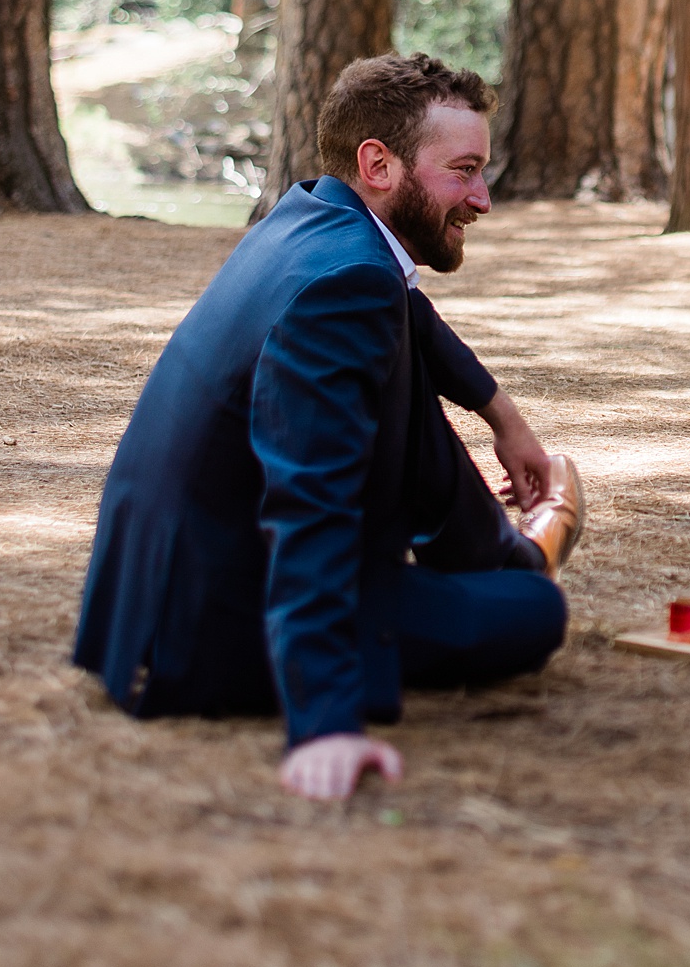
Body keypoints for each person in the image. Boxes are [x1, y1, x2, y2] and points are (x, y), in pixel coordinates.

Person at [74, 53, 587, 800]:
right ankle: (517, 566)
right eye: (464, 171)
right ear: (378, 163)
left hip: (163, 589)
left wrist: (499, 412)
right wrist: (325, 724)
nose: (482, 199)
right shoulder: (344, 290)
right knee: (536, 613)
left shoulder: (317, 216)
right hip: (214, 622)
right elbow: (308, 506)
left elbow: (408, 309)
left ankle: (499, 551)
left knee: (404, 380)